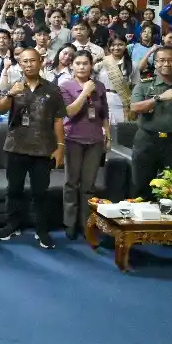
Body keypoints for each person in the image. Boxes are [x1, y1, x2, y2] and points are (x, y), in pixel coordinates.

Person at [0, 49, 65, 248]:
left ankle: (41, 229)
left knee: (40, 192)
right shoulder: (13, 86)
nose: (28, 65)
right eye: (24, 61)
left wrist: (60, 147)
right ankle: (12, 224)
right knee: (13, 189)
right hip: (16, 146)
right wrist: (10, 94)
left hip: (43, 149)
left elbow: (58, 120)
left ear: (40, 62)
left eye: (32, 61)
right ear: (19, 64)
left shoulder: (53, 89)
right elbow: (0, 109)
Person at [128, 46, 172, 199]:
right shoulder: (144, 85)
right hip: (147, 141)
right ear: (155, 63)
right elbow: (134, 108)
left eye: (171, 60)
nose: (166, 64)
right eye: (162, 60)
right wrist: (158, 98)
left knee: (171, 191)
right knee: (141, 188)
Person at [60, 51, 109, 240]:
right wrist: (85, 92)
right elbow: (69, 111)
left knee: (89, 185)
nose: (81, 67)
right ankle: (70, 223)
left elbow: (104, 113)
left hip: (95, 140)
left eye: (85, 63)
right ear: (72, 65)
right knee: (71, 183)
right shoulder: (66, 86)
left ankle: (86, 223)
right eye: (78, 63)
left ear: (91, 66)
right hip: (73, 139)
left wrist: (108, 134)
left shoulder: (100, 86)